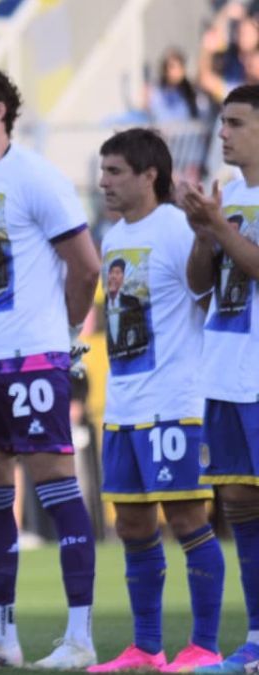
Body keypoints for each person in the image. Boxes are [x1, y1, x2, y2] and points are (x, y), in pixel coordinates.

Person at [0, 66, 101, 669]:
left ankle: (79, 638)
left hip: (31, 358)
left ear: (0, 109)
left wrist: (60, 337)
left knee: (56, 490)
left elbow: (85, 265)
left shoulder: (36, 176)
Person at [89, 128, 225, 672]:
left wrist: (202, 239)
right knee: (132, 525)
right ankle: (146, 647)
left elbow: (200, 291)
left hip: (173, 400)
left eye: (116, 171)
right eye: (103, 171)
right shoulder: (113, 236)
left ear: (151, 175)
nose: (104, 182)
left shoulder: (174, 227)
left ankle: (205, 646)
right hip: (124, 403)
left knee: (188, 518)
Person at [181, 83, 259, 675]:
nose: (222, 133)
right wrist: (204, 230)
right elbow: (200, 286)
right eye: (223, 122)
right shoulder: (229, 195)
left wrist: (221, 227)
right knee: (237, 502)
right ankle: (256, 639)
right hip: (225, 372)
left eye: (234, 123)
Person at [104, 258, 150, 358]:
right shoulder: (104, 302)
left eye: (118, 273)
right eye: (111, 272)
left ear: (123, 277)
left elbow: (142, 338)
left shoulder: (132, 302)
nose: (113, 276)